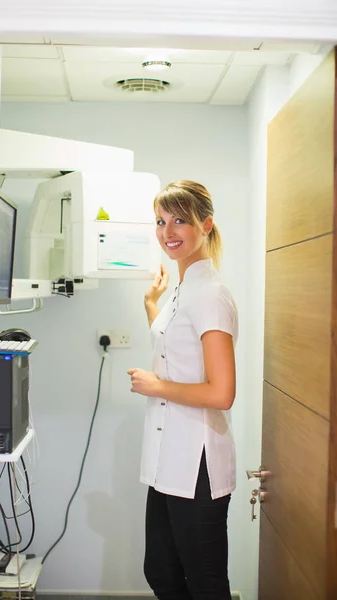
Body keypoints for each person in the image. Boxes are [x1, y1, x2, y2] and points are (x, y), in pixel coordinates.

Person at [127, 180, 238, 600]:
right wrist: (150, 303)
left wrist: (156, 385)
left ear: (205, 225)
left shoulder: (210, 295)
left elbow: (221, 392)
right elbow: (173, 342)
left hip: (199, 463)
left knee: (205, 584)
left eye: (179, 220)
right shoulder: (182, 291)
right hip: (169, 458)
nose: (168, 231)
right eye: (160, 221)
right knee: (161, 570)